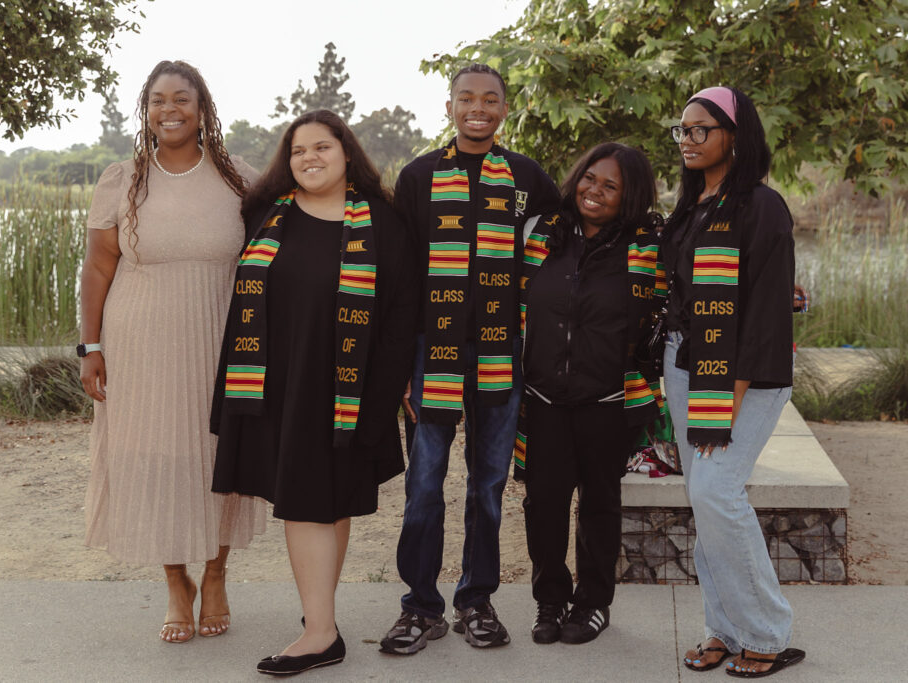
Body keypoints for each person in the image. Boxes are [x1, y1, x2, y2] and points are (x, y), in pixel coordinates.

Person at [210, 109, 418, 676]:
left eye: (321, 147)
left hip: (348, 388)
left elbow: (402, 315)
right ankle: (320, 621)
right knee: (316, 503)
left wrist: (382, 395)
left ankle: (320, 632)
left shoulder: (383, 223)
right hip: (279, 383)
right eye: (298, 150)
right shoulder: (266, 214)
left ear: (346, 153)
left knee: (322, 502)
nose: (309, 158)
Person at [79, 60, 267, 644]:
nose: (170, 110)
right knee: (156, 456)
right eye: (158, 99)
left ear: (202, 108)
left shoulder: (240, 178)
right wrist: (90, 346)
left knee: (218, 457)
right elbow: (98, 267)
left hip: (220, 338)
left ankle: (216, 575)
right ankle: (174, 582)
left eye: (182, 98)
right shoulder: (122, 179)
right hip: (140, 343)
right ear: (147, 110)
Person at [380, 63, 559, 655]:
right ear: (450, 106)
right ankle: (420, 605)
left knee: (488, 487)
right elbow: (402, 275)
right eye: (466, 98)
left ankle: (475, 601)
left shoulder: (528, 178)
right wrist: (402, 366)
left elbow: (556, 254)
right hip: (432, 351)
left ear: (505, 108)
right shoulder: (419, 176)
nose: (477, 108)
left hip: (501, 353)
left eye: (489, 99)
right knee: (424, 486)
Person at [661, 86, 806, 677]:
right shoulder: (690, 206)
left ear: (735, 137)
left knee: (716, 493)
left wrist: (729, 395)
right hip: (683, 363)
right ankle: (722, 628)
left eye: (702, 129)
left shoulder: (762, 206)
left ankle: (766, 631)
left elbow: (768, 308)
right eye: (683, 129)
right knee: (704, 500)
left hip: (742, 374)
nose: (689, 139)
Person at [516, 142, 666, 645]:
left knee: (600, 504)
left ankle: (593, 603)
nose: (594, 191)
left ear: (630, 196)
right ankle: (550, 600)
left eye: (610, 186)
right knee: (544, 504)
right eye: (589, 178)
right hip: (543, 399)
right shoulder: (541, 234)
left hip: (609, 401)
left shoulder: (649, 247)